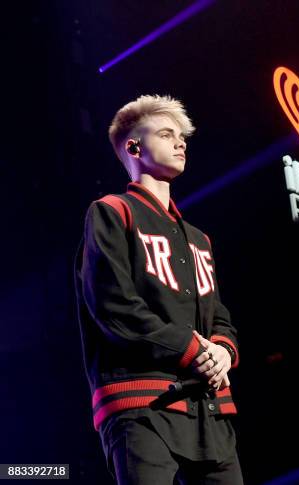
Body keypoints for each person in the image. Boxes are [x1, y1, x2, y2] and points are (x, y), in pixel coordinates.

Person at [74, 94, 243, 484]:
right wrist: (194, 348)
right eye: (167, 134)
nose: (180, 142)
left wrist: (221, 350)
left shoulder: (199, 239)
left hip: (207, 407)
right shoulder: (112, 212)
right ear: (134, 147)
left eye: (182, 136)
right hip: (141, 403)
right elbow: (114, 306)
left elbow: (220, 316)